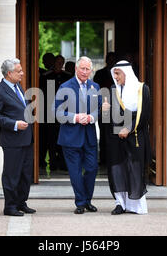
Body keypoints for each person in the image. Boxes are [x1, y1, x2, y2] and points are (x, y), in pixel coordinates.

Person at [102, 60, 151, 215]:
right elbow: (107, 118)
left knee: (134, 169)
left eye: (118, 74)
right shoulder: (112, 90)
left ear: (126, 73)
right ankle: (120, 203)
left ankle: (135, 204)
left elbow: (144, 115)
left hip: (134, 136)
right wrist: (104, 110)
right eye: (114, 74)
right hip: (115, 139)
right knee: (117, 170)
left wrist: (128, 129)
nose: (115, 77)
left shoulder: (142, 89)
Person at [54, 56, 102, 214]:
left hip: (89, 136)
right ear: (76, 68)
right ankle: (81, 202)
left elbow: (98, 109)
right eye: (82, 68)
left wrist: (91, 117)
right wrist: (75, 117)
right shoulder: (65, 86)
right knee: (75, 172)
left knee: (92, 168)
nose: (85, 72)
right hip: (70, 137)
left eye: (88, 69)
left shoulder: (95, 87)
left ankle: (88, 200)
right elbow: (57, 112)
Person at [0, 58, 36, 216]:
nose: (22, 73)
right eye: (19, 71)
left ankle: (21, 202)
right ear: (9, 73)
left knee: (25, 174)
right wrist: (14, 124)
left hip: (26, 138)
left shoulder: (18, 87)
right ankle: (10, 207)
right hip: (12, 141)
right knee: (11, 174)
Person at [44, 55, 73, 171]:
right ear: (54, 63)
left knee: (64, 138)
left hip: (65, 112)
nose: (59, 64)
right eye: (58, 62)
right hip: (50, 112)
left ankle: (63, 162)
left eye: (62, 62)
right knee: (51, 139)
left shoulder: (68, 77)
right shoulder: (46, 76)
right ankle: (52, 163)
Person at [93, 52, 117, 169]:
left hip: (117, 108)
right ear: (106, 60)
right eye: (110, 59)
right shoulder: (100, 73)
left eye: (114, 59)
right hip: (104, 107)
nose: (112, 61)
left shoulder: (118, 74)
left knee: (115, 134)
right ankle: (103, 159)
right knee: (103, 134)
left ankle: (113, 158)